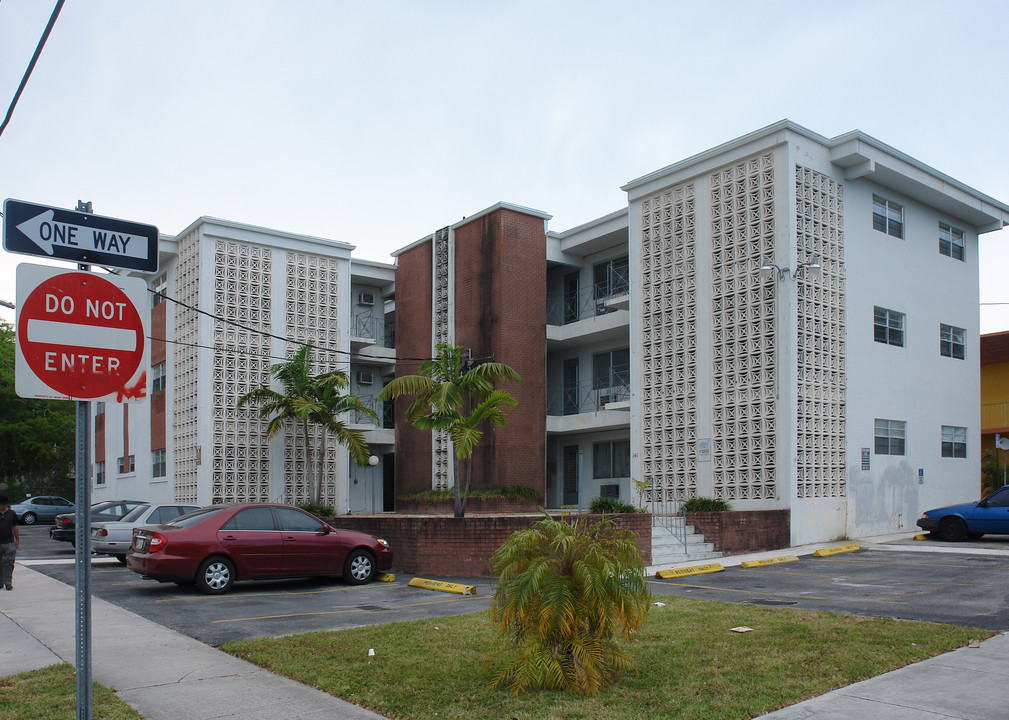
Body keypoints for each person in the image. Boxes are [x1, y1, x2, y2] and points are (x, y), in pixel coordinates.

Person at [0, 494, 19, 590]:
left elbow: (15, 527)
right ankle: (0, 582)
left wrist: (17, 540)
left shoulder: (12, 513)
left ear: (4, 505)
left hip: (9, 542)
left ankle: (8, 582)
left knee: (8, 563)